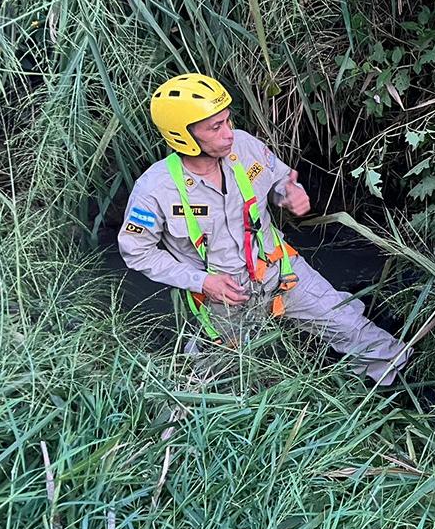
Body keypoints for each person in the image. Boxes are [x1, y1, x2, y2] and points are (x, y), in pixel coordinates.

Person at [118, 72, 409, 384]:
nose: (228, 134)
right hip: (223, 301)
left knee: (351, 326)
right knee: (203, 380)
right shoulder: (155, 189)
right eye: (215, 127)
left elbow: (280, 179)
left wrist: (290, 193)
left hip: (281, 271)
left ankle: (401, 381)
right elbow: (138, 252)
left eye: (227, 121)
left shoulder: (244, 147)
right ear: (182, 135)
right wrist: (202, 282)